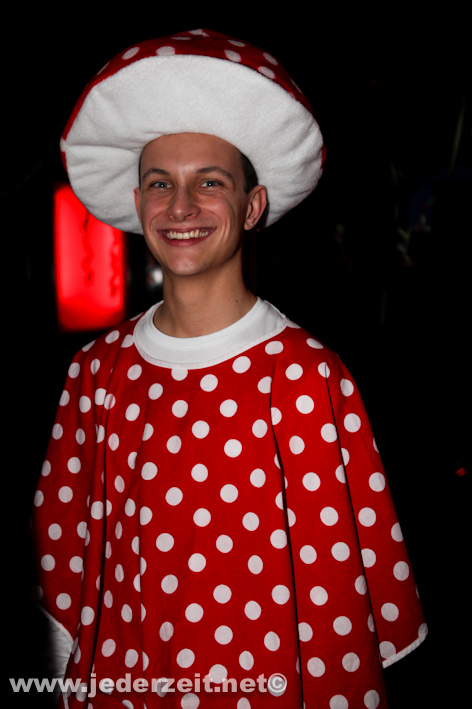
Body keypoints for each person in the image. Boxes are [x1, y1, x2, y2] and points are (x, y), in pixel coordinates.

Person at [31, 29, 427, 708]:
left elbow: (340, 604)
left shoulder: (308, 379)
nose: (181, 206)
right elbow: (65, 563)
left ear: (252, 205)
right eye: (161, 183)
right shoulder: (96, 374)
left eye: (209, 183)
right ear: (139, 204)